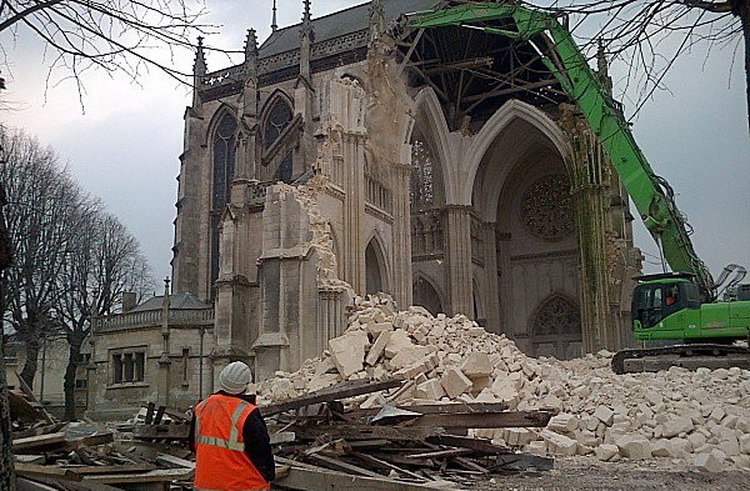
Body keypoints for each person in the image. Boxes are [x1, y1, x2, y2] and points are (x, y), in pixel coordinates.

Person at [189, 361, 275, 491]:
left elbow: (193, 445)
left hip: (205, 485)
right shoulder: (247, 412)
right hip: (243, 485)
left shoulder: (202, 407)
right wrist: (268, 476)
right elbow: (262, 453)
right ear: (246, 385)